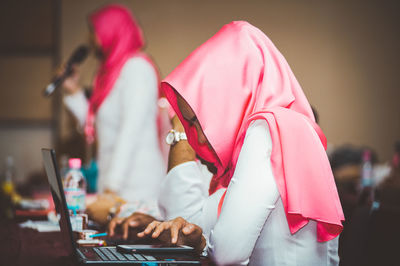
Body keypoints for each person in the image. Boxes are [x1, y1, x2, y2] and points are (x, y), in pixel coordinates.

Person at [135, 21, 344, 265]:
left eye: (197, 120)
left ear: (228, 98)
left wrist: (202, 243)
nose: (199, 139)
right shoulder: (285, 129)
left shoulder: (267, 130)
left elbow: (226, 254)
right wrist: (193, 235)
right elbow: (199, 222)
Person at [61, 4, 165, 222]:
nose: (91, 39)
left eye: (94, 32)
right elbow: (97, 128)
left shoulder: (137, 69)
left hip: (136, 184)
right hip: (112, 184)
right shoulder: (106, 75)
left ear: (112, 31)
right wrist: (73, 91)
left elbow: (131, 131)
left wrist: (111, 187)